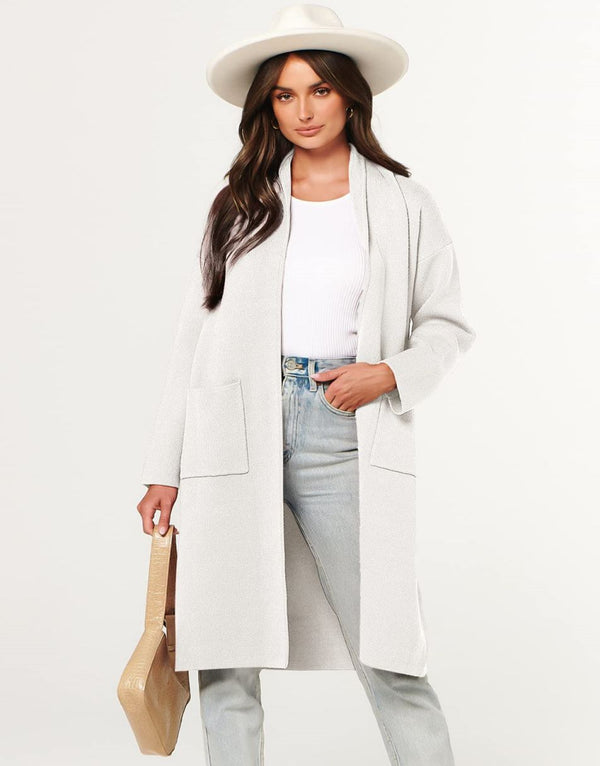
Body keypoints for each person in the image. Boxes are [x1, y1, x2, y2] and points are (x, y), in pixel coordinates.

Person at [136, 5, 476, 765]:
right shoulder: (240, 202)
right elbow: (192, 341)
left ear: (350, 95)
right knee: (224, 653)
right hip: (233, 430)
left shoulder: (403, 203)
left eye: (319, 90)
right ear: (267, 107)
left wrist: (389, 372)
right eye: (285, 96)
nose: (303, 110)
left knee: (390, 648)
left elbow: (446, 324)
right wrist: (164, 468)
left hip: (341, 428)